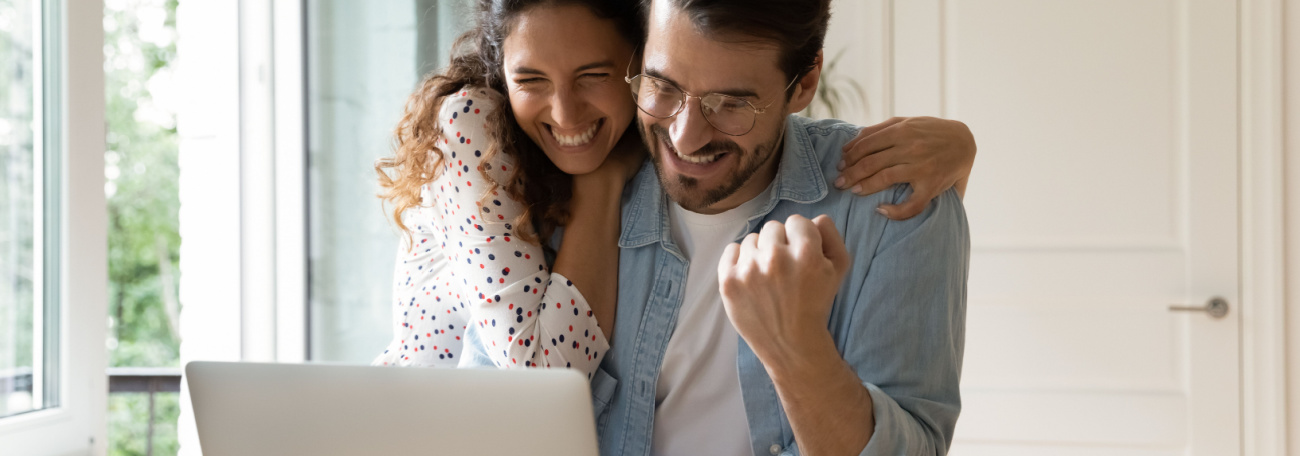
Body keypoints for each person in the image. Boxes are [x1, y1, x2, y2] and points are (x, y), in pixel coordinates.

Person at [379, 1, 972, 445]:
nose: (686, 137)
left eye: (732, 103)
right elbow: (499, 428)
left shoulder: (893, 204)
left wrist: (797, 350)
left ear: (806, 82)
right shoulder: (547, 189)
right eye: (662, 87)